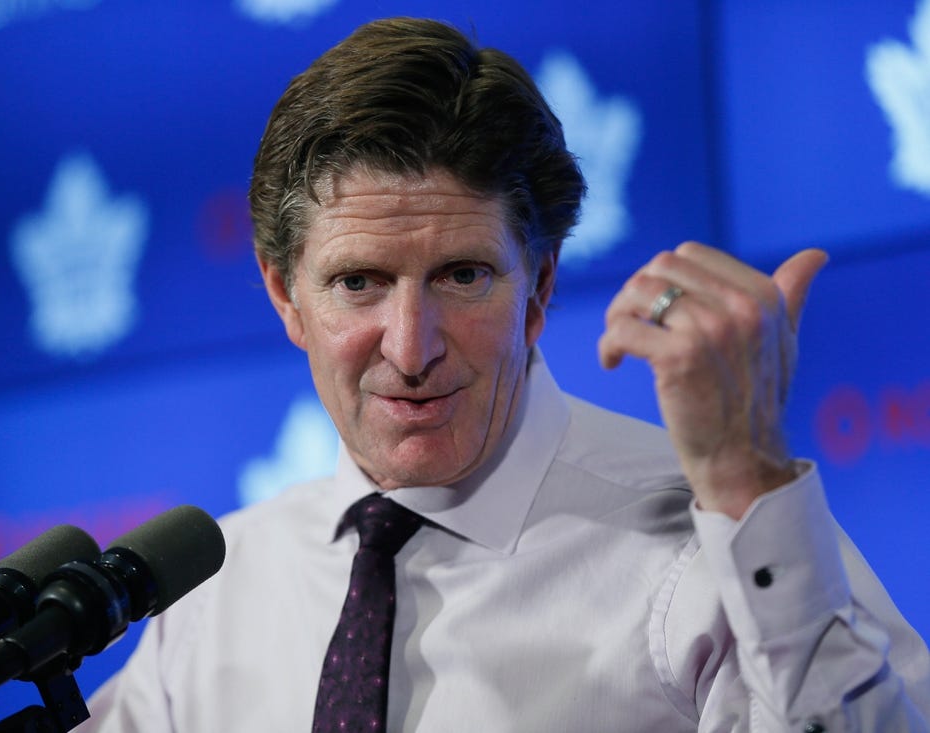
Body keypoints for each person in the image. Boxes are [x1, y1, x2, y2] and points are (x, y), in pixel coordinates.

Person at [81, 16, 930, 731]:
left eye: (462, 276)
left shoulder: (715, 552)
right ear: (284, 295)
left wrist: (748, 482)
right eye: (358, 283)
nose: (410, 349)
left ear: (541, 287)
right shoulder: (214, 596)